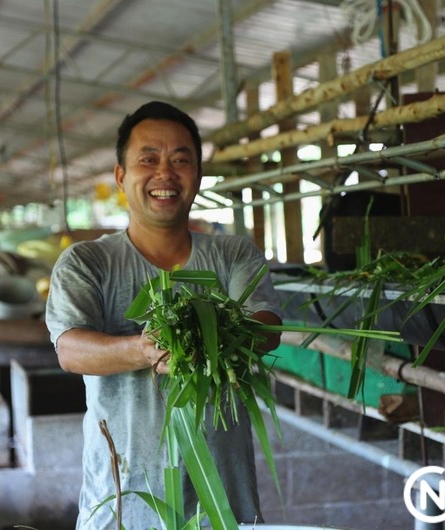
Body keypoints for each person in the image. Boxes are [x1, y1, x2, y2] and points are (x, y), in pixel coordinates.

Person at [45, 101, 282, 529]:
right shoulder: (88, 261)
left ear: (198, 175)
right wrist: (143, 349)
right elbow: (70, 349)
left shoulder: (234, 254)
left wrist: (217, 334)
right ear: (121, 176)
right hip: (123, 502)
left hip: (223, 504)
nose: (165, 174)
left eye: (180, 160)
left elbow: (266, 327)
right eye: (148, 159)